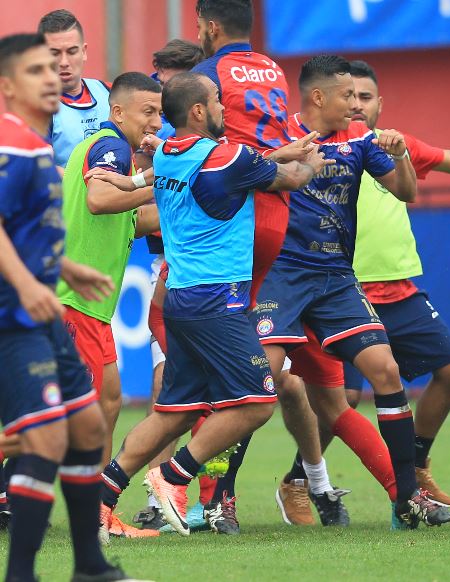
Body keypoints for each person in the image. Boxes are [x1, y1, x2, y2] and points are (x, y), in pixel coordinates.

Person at [95, 70, 327, 540]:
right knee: (260, 402)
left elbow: (153, 175)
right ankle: (174, 476)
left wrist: (122, 184)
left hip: (179, 297)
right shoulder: (229, 156)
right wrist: (313, 163)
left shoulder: (167, 152)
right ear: (199, 111)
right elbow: (290, 179)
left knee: (174, 413)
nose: (225, 108)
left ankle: (98, 502)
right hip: (217, 300)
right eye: (219, 101)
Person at [274, 58, 450, 522]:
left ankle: (408, 489)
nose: (356, 105)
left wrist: (404, 154)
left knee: (407, 371)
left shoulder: (369, 142)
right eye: (349, 96)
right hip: (285, 279)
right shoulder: (278, 135)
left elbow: (414, 185)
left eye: (363, 97)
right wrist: (290, 162)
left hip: (349, 283)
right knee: (264, 387)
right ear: (318, 97)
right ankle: (211, 488)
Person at [0, 31, 140, 582]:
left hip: (41, 307)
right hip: (13, 315)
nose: (53, 76)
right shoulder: (11, 143)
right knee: (47, 436)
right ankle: (21, 575)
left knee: (85, 426)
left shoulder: (35, 144)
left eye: (54, 65)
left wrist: (61, 269)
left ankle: (89, 566)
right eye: (36, 70)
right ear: (9, 86)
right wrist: (28, 283)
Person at [57, 71, 162, 488]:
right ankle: (92, 512)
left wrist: (184, 198)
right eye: (148, 111)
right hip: (75, 302)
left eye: (159, 112)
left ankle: (98, 509)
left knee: (109, 401)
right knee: (71, 418)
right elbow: (102, 200)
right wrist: (152, 185)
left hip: (92, 309)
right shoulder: (111, 146)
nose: (155, 121)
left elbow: (132, 221)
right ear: (117, 111)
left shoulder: (108, 151)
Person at [132, 36, 206, 534]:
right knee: (172, 383)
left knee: (275, 389)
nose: (161, 109)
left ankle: (220, 496)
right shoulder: (155, 136)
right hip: (176, 273)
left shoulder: (205, 138)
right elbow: (138, 206)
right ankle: (166, 493)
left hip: (227, 275)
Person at [37, 9, 111, 168]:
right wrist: (91, 187)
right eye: (54, 53)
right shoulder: (36, 109)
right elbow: (42, 169)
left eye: (71, 51)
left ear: (84, 52)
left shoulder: (110, 93)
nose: (64, 62)